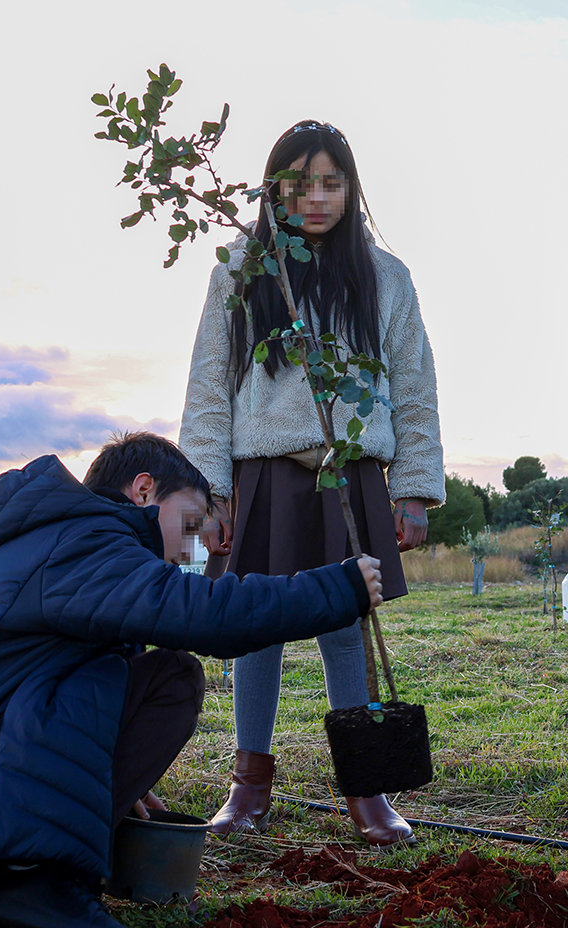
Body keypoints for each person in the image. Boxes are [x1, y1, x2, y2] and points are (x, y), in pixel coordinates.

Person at [0, 432, 381, 928]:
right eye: (189, 524)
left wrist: (109, 779)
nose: (187, 550)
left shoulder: (62, 538)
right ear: (143, 491)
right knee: (173, 679)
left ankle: (31, 867)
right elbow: (209, 616)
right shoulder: (88, 541)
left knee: (139, 673)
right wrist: (338, 588)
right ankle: (29, 877)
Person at [180, 119, 445, 844]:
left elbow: (414, 385)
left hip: (350, 475)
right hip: (263, 474)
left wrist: (413, 486)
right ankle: (249, 786)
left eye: (331, 183)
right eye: (299, 185)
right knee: (255, 628)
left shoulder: (386, 277)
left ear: (352, 189)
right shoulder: (240, 271)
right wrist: (210, 494)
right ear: (273, 191)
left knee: (345, 625)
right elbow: (208, 387)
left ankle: (366, 787)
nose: (316, 198)